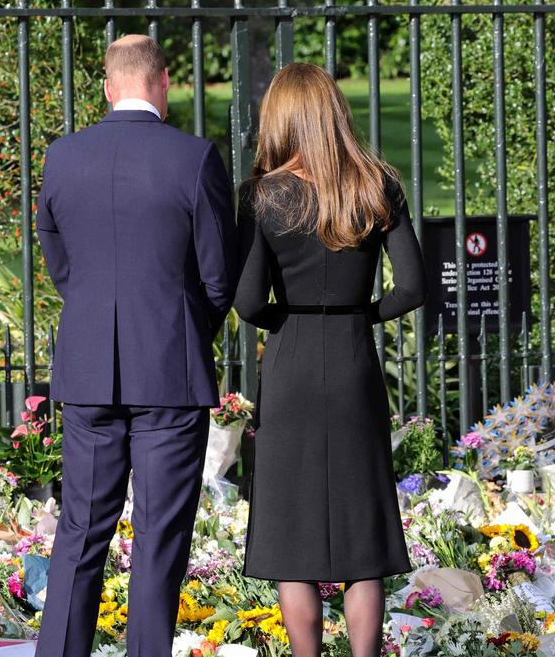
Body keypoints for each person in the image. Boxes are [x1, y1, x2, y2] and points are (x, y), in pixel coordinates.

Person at [34, 34, 241, 657]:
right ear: (164, 80)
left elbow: (57, 256)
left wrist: (96, 310)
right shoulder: (194, 156)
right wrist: (180, 326)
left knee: (79, 531)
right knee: (159, 537)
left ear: (106, 86)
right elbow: (218, 276)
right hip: (169, 374)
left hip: (89, 368)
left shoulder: (63, 157)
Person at [234, 62, 425, 656]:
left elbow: (245, 301)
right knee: (361, 531)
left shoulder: (263, 195)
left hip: (290, 363)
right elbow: (412, 287)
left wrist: (283, 321)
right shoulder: (376, 184)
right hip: (352, 362)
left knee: (292, 534)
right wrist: (361, 314)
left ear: (281, 118)